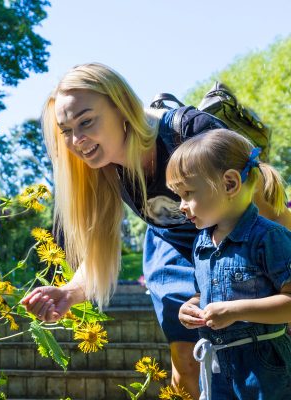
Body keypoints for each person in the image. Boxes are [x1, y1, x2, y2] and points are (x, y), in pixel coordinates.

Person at [21, 63, 291, 398]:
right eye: (66, 130)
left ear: (122, 106)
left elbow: (269, 215)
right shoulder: (101, 170)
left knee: (253, 353)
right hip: (171, 246)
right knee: (186, 362)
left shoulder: (191, 131)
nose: (77, 139)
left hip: (235, 239)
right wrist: (69, 293)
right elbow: (99, 252)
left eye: (86, 121)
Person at [166, 129, 291, 400]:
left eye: (187, 193)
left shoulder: (268, 238)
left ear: (230, 184)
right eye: (178, 196)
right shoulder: (201, 243)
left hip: (264, 372)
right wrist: (192, 306)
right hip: (217, 370)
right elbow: (209, 293)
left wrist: (235, 311)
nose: (181, 206)